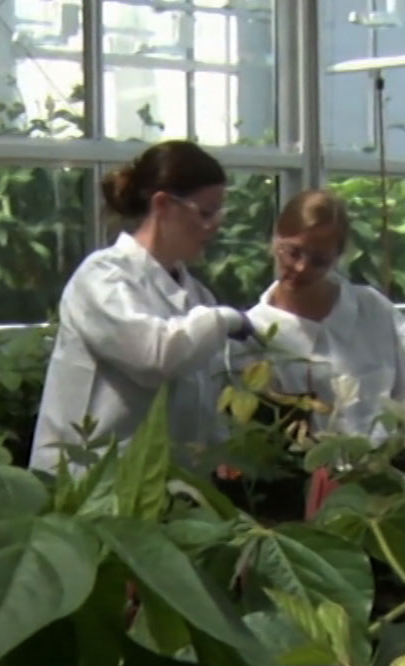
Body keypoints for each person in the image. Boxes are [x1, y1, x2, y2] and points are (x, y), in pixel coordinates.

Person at [30, 140, 253, 474]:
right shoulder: (102, 277)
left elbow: (203, 397)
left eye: (219, 212)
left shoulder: (197, 296)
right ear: (163, 204)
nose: (215, 224)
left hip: (168, 487)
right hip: (87, 482)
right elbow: (154, 356)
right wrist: (226, 319)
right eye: (205, 212)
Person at [234, 188, 405, 444]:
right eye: (293, 252)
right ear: (276, 240)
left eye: (319, 260)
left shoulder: (372, 309)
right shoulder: (254, 331)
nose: (302, 267)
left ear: (338, 256)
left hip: (384, 472)